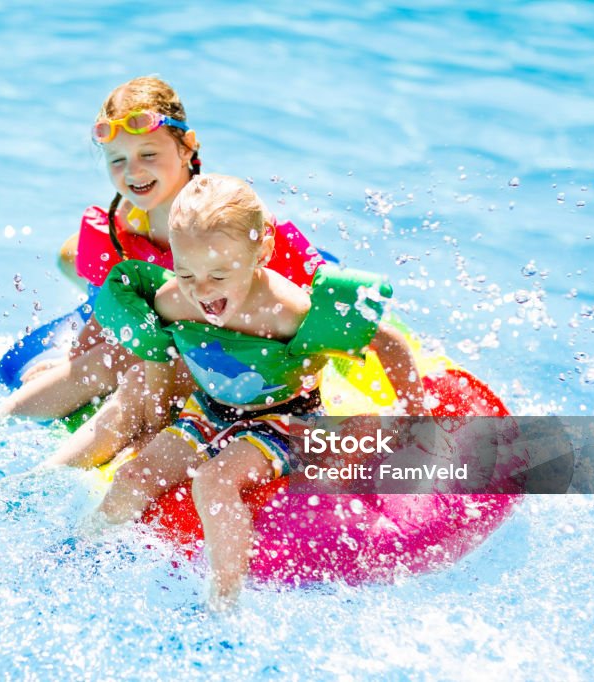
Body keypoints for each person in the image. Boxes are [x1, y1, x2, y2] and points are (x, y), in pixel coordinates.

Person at [88, 175, 426, 609]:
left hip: (283, 419)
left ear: (261, 253)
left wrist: (416, 415)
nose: (202, 291)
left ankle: (223, 603)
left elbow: (386, 342)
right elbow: (157, 348)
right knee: (134, 475)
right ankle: (81, 552)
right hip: (206, 410)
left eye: (218, 274)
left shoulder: (285, 311)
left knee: (213, 484)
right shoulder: (176, 299)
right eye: (186, 271)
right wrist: (152, 419)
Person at [0, 77, 324, 468]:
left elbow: (321, 294)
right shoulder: (120, 228)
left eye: (148, 154)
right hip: (163, 333)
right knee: (106, 341)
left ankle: (53, 468)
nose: (133, 171)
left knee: (129, 366)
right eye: (117, 160)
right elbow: (112, 309)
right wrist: (71, 358)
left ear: (187, 147)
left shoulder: (229, 223)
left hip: (219, 352)